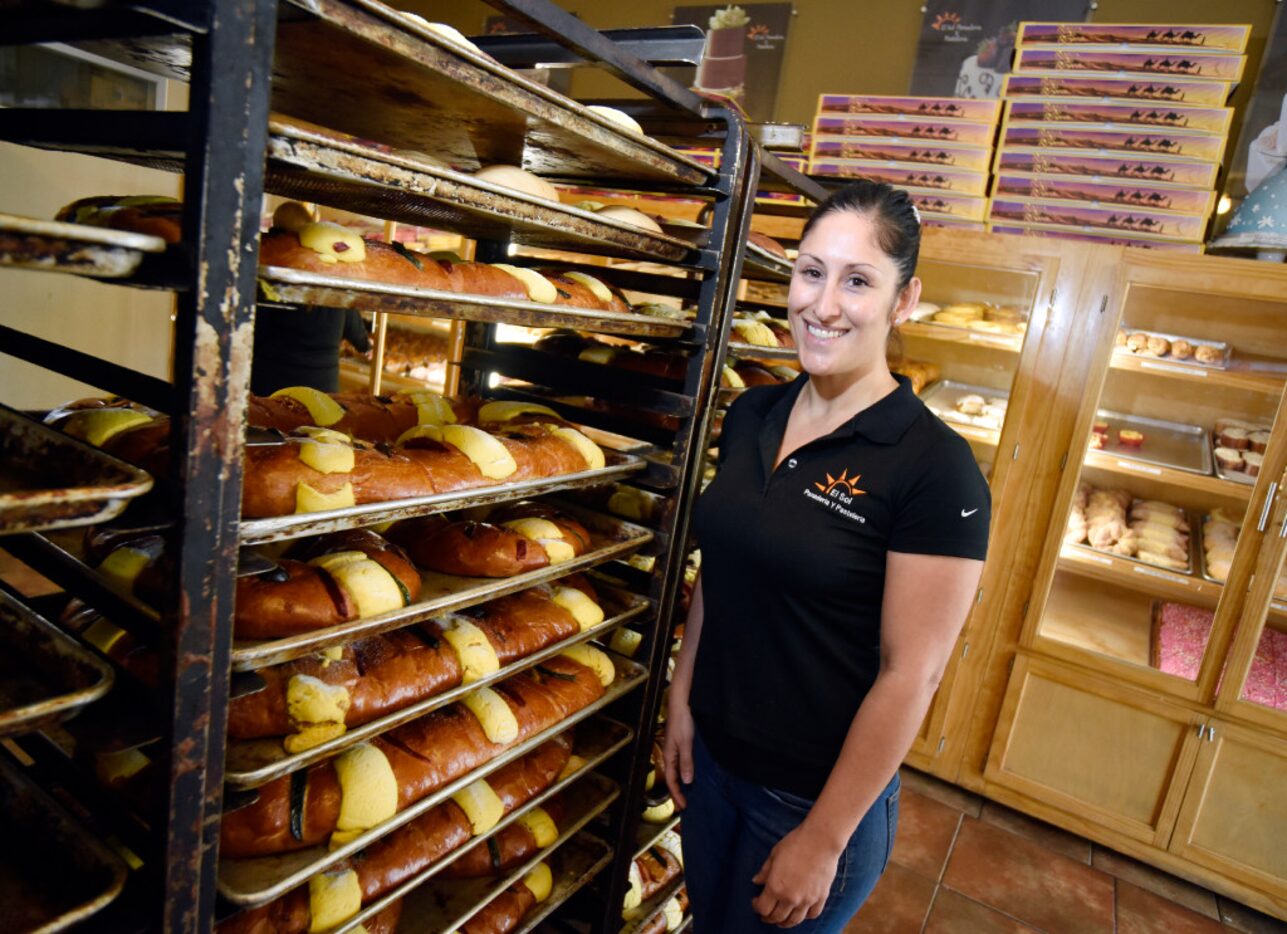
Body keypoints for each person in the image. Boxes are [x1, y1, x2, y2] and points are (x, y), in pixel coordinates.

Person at [664, 180, 989, 931]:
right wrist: (682, 700)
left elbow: (914, 672)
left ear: (903, 301)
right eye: (810, 272)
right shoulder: (752, 413)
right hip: (712, 766)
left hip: (810, 800)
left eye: (857, 281)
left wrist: (824, 836)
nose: (823, 305)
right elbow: (724, 566)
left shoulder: (933, 468)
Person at [250, 305, 370, 396]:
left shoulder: (282, 282)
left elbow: (254, 331)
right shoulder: (339, 286)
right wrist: (366, 347)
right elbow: (356, 332)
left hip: (274, 384)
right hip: (323, 388)